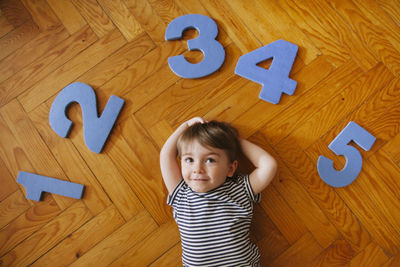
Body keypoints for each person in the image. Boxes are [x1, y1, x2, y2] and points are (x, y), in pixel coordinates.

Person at [160, 117, 277, 267]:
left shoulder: (239, 189)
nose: (197, 169)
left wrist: (236, 142)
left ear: (230, 168)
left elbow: (269, 165)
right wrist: (186, 125)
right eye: (189, 160)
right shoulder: (181, 194)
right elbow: (166, 156)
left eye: (210, 160)